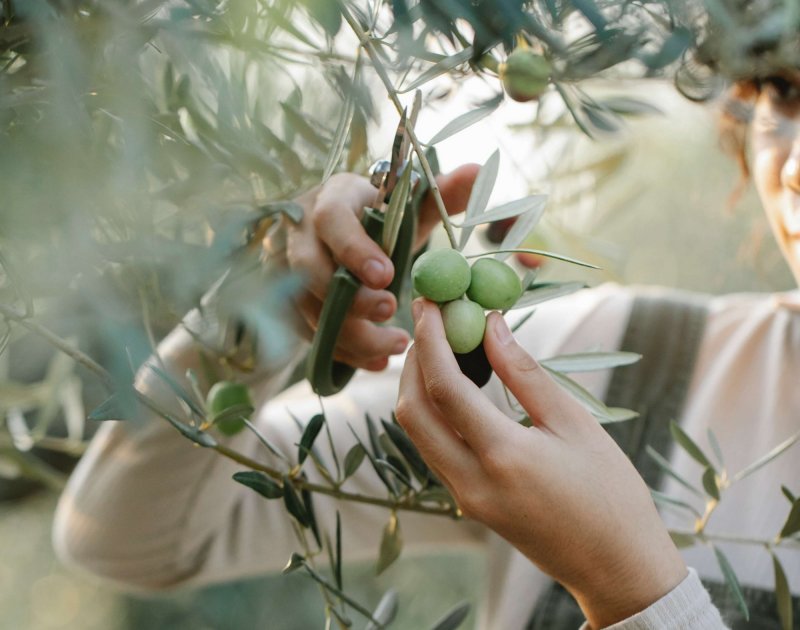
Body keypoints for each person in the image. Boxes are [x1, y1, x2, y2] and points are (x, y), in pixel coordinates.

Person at [52, 67, 800, 629]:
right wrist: (269, 309)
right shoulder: (604, 360)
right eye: (786, 92)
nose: (793, 166)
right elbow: (126, 540)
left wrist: (631, 588)